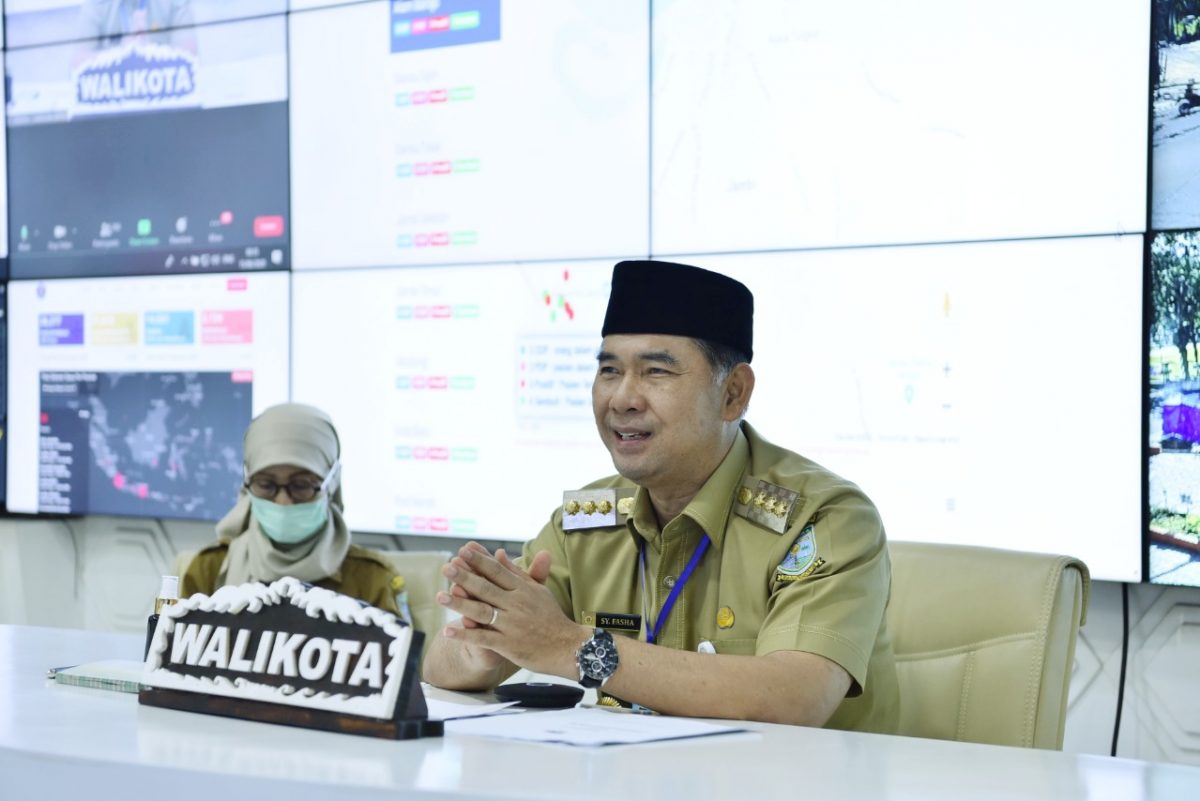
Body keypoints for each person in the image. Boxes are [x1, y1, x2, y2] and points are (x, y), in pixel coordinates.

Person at [423, 260, 899, 731]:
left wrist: (571, 646)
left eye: (655, 372)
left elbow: (796, 697)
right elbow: (440, 667)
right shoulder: (585, 521)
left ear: (733, 393)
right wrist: (485, 646)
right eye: (609, 370)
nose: (622, 399)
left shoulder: (823, 518)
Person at [180, 403, 407, 618]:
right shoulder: (210, 569)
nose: (283, 502)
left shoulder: (370, 579)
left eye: (301, 486)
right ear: (247, 481)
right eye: (266, 485)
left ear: (331, 484)